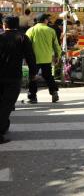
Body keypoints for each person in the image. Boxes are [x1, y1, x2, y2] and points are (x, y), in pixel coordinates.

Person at [0, 16, 36, 144]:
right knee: (7, 105)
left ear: (4, 25)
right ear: (17, 25)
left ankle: (4, 127)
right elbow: (30, 57)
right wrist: (33, 73)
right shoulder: (22, 37)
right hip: (13, 76)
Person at [25, 13, 61, 104]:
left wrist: (25, 57)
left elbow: (26, 46)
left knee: (33, 77)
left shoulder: (30, 30)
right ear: (45, 20)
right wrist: (58, 56)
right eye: (47, 19)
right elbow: (56, 45)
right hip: (47, 58)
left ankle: (32, 97)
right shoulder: (51, 30)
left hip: (34, 59)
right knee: (48, 76)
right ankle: (54, 92)